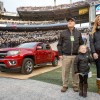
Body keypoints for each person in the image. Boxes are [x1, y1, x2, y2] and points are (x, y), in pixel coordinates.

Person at [57, 17, 84, 92]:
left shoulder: (78, 33)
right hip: (66, 55)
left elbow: (81, 44)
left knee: (75, 71)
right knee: (65, 71)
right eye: (68, 21)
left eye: (71, 21)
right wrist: (60, 54)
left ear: (74, 23)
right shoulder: (63, 33)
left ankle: (75, 85)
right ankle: (65, 85)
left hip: (76, 56)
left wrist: (81, 53)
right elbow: (59, 44)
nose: (69, 22)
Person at [90, 15, 100, 94]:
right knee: (99, 71)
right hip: (97, 53)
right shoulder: (93, 32)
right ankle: (99, 88)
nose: (99, 21)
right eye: (98, 19)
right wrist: (93, 52)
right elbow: (91, 43)